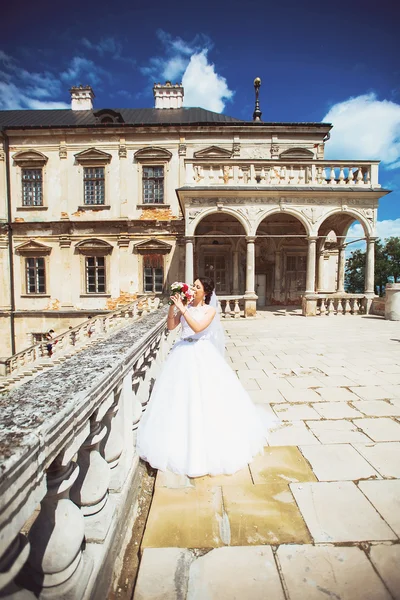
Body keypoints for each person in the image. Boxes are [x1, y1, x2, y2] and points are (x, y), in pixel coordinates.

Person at [136, 276, 277, 478]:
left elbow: (198, 328)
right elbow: (171, 327)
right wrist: (172, 307)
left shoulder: (209, 310)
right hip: (182, 352)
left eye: (197, 286)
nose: (193, 288)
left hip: (201, 352)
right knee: (179, 398)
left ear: (205, 292)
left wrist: (183, 309)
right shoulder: (186, 306)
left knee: (205, 397)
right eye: (193, 285)